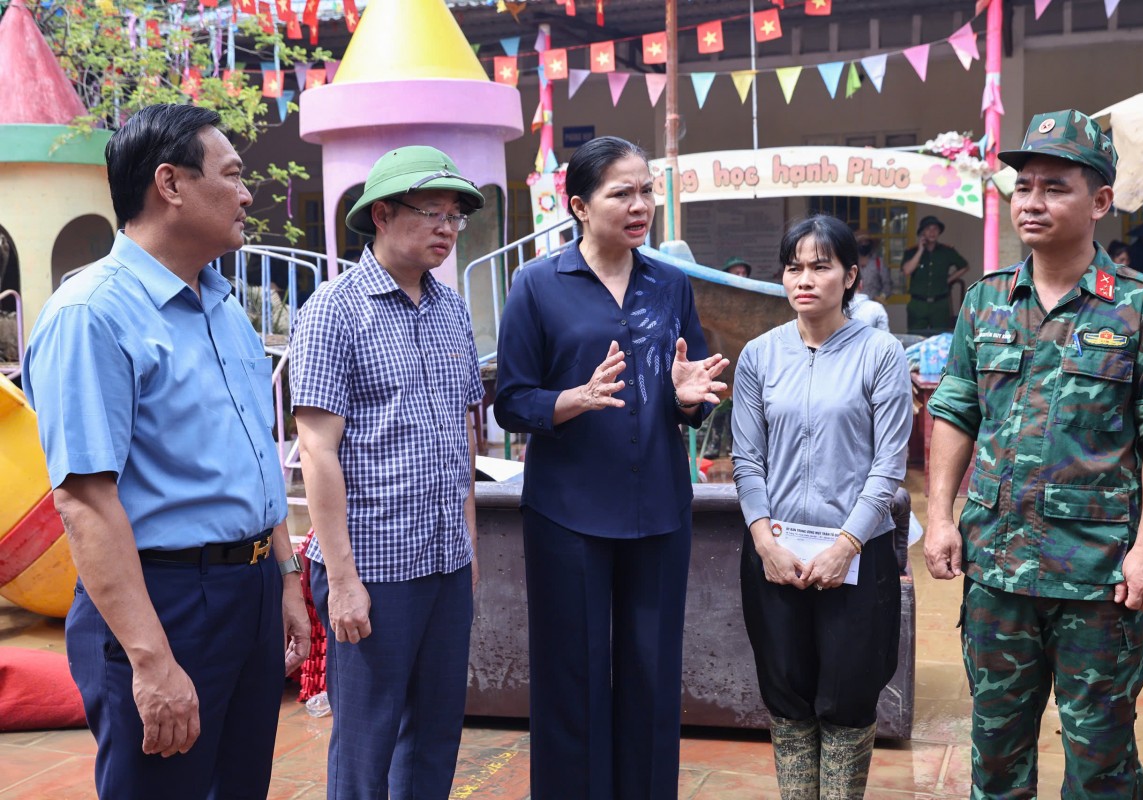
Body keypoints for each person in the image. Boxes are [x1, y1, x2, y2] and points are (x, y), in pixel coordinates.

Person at [21, 103, 309, 799]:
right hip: (165, 599)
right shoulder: (94, 314)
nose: (247, 195)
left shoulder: (221, 304)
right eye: (233, 174)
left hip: (250, 590)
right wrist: (150, 660)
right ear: (170, 185)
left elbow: (250, 454)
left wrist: (286, 577)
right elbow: (86, 498)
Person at [924, 109, 1143, 798]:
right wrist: (939, 516)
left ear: (1100, 201)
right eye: (1023, 186)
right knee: (993, 756)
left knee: (1101, 763)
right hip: (997, 569)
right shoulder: (986, 303)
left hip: (1098, 577)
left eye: (1055, 186)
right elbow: (955, 411)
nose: (1032, 201)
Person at [493, 135, 728, 800]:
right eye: (621, 192)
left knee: (652, 680)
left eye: (647, 190)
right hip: (566, 515)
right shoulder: (537, 285)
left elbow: (689, 387)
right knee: (573, 679)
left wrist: (687, 401)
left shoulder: (670, 284)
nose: (641, 204)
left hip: (657, 510)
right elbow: (512, 400)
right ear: (578, 205)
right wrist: (575, 400)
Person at [288, 146, 485, 798]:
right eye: (433, 212)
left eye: (456, 215)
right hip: (372, 568)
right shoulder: (333, 310)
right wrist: (341, 582)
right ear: (381, 214)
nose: (448, 228)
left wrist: (470, 549)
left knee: (435, 736)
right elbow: (316, 450)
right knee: (366, 743)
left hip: (444, 563)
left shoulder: (451, 308)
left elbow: (463, 433)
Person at [732, 214, 911, 799]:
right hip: (775, 553)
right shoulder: (760, 355)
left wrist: (847, 545)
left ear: (850, 275)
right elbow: (746, 461)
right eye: (794, 267)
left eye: (820, 266)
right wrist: (763, 541)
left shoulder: (880, 353)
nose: (804, 279)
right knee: (786, 691)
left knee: (848, 696)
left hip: (857, 556)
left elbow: (888, 466)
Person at [902, 215, 968, 333]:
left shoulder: (946, 251)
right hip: (918, 304)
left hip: (940, 304)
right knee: (916, 338)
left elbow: (964, 266)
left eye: (935, 229)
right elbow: (907, 271)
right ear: (922, 232)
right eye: (928, 229)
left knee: (941, 337)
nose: (932, 232)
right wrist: (920, 250)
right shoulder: (911, 251)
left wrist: (948, 279)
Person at [855, 229, 892, 301]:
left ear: (870, 244)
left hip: (873, 304)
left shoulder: (878, 262)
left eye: (866, 242)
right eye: (861, 242)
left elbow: (887, 283)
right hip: (854, 306)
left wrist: (882, 296)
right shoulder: (850, 263)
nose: (864, 244)